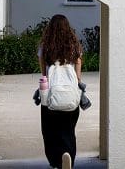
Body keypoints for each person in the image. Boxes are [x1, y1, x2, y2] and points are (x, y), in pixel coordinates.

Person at [38, 14, 83, 169]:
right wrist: (77, 81)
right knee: (69, 131)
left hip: (51, 96)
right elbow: (78, 65)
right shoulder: (74, 44)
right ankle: (68, 155)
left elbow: (43, 73)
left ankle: (56, 161)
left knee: (49, 131)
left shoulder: (46, 46)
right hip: (71, 97)